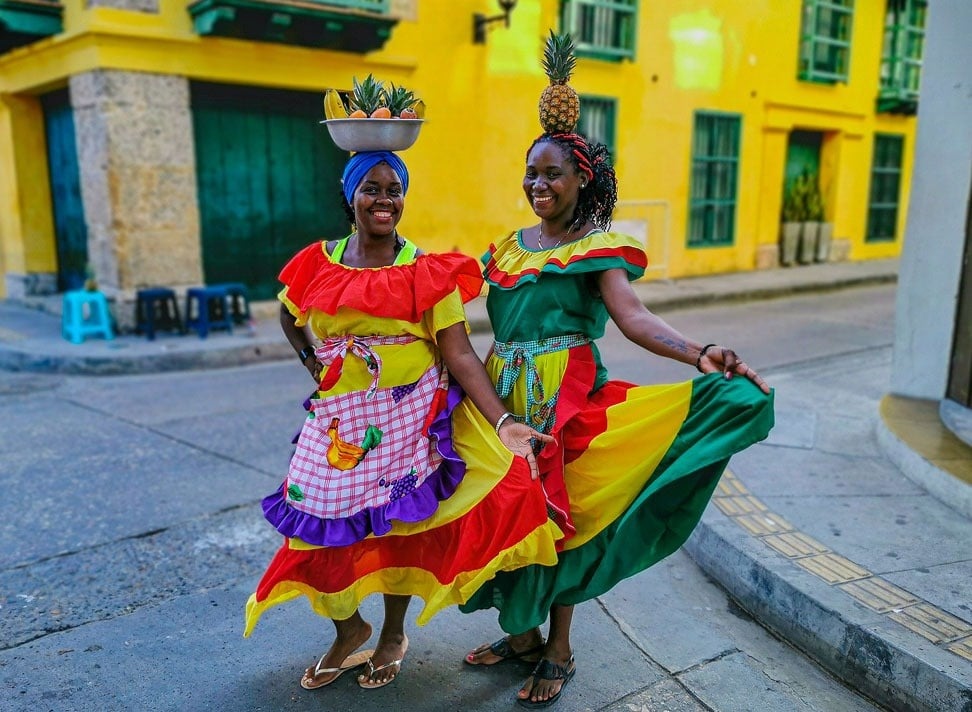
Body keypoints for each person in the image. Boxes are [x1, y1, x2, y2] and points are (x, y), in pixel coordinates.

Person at [460, 131, 775, 707]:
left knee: (563, 521)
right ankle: (524, 636)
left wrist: (697, 352)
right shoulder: (505, 248)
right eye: (531, 171)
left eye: (553, 173)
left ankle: (558, 649)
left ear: (582, 179)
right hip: (503, 402)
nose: (538, 184)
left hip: (565, 401)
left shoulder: (596, 247)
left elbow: (633, 316)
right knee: (504, 514)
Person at [243, 150, 558, 691]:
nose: (383, 199)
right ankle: (348, 630)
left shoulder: (425, 271)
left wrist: (504, 421)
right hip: (340, 419)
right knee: (314, 526)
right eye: (371, 187)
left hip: (409, 418)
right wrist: (311, 361)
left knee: (400, 530)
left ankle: (391, 635)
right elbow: (288, 314)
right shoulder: (318, 261)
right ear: (350, 195)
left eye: (394, 189)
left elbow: (459, 355)